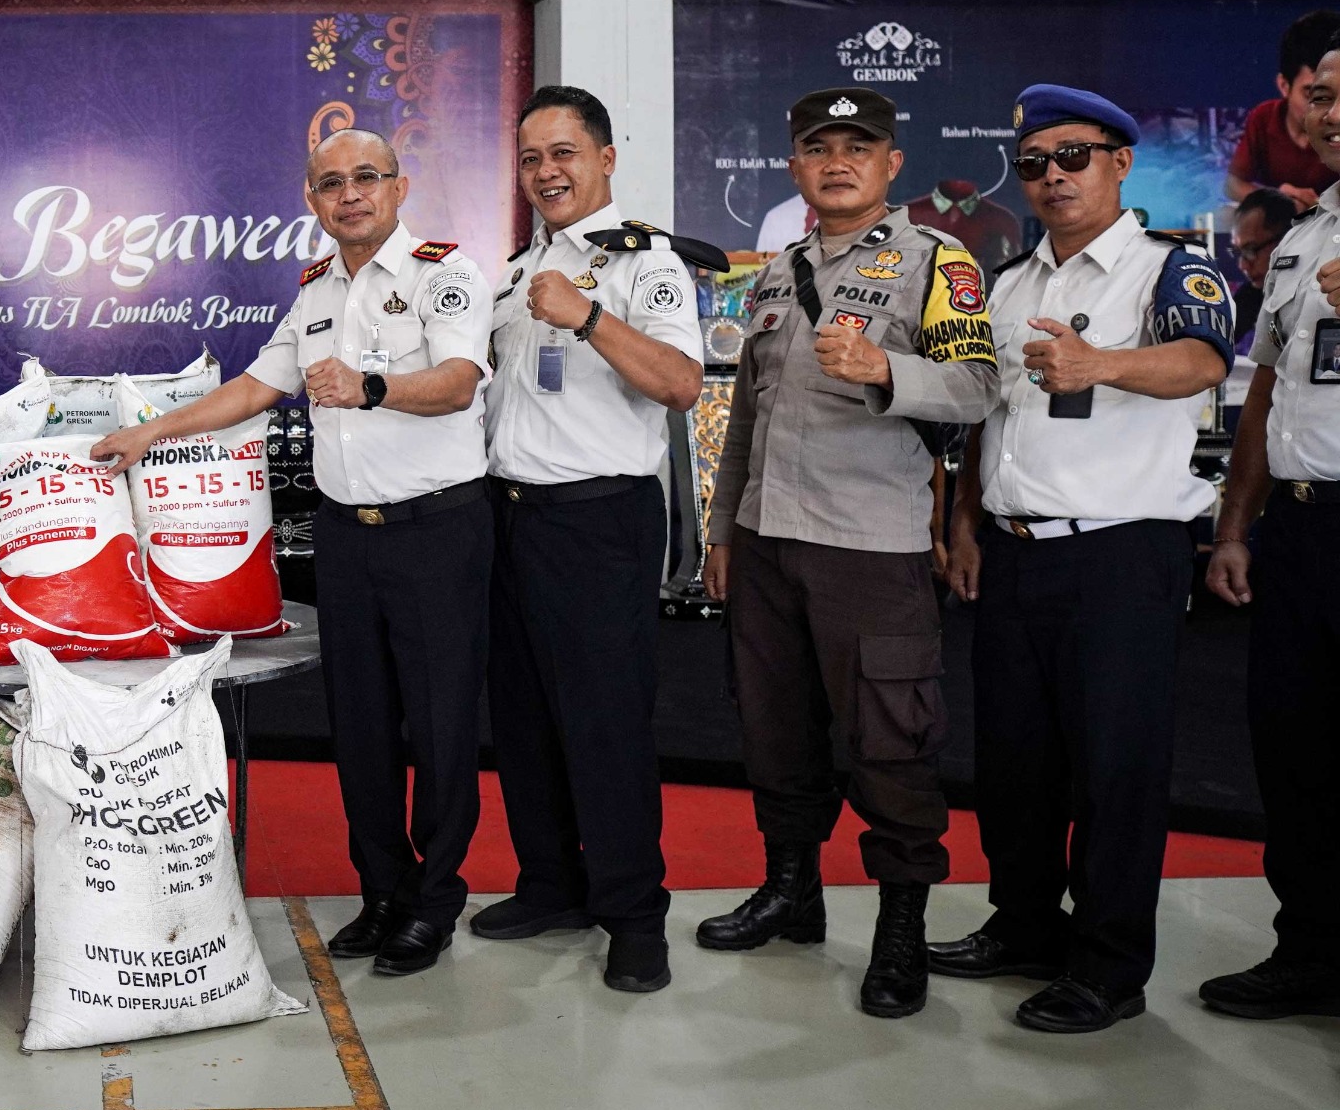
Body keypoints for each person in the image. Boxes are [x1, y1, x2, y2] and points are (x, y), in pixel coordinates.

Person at [97, 127, 492, 977]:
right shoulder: (315, 290)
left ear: (399, 185)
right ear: (311, 201)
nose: (349, 194)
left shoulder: (445, 273)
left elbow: (459, 380)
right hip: (348, 535)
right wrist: (147, 432)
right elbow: (252, 388)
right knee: (359, 726)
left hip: (437, 532)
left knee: (441, 722)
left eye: (365, 178)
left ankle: (435, 900)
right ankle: (383, 890)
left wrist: (370, 384)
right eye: (330, 183)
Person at [936, 85, 1233, 1033]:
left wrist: (1101, 364)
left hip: (1121, 557)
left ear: (1120, 162)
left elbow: (1203, 362)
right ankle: (1024, 923)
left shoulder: (1170, 268)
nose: (1053, 176)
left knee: (1116, 768)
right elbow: (989, 417)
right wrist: (967, 525)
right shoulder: (1013, 281)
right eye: (1034, 163)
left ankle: (1109, 964)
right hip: (1016, 553)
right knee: (1013, 763)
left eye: (1074, 156)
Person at [698, 89, 998, 1019]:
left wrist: (887, 371)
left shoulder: (937, 264)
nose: (836, 161)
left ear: (891, 164)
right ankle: (793, 891)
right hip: (767, 540)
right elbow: (745, 413)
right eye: (817, 147)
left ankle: (900, 927)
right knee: (776, 728)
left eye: (857, 146)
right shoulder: (779, 274)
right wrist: (720, 530)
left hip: (870, 549)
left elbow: (980, 387)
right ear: (793, 167)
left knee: (889, 743)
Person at [471, 86, 709, 994]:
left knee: (606, 727)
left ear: (606, 157)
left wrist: (589, 317)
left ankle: (634, 916)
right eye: (532, 158)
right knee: (526, 721)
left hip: (599, 518)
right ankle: (552, 885)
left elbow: (682, 383)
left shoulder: (645, 266)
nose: (546, 172)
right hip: (510, 515)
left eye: (564, 152)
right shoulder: (508, 273)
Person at [1203, 35, 1340, 1019]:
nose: (1330, 114)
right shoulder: (1300, 234)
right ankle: (1310, 949)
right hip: (1296, 530)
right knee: (1294, 749)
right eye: (1322, 96)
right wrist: (1235, 524)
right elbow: (1264, 393)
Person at [1225, 9, 1340, 207]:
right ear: (1284, 86)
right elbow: (1233, 185)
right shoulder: (1264, 118)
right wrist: (1280, 200)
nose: (1335, 115)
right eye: (1316, 95)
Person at [1230, 187, 1300, 355]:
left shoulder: (1320, 293)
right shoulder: (1251, 295)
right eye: (1239, 252)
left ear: (1286, 240)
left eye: (1251, 250)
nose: (1243, 266)